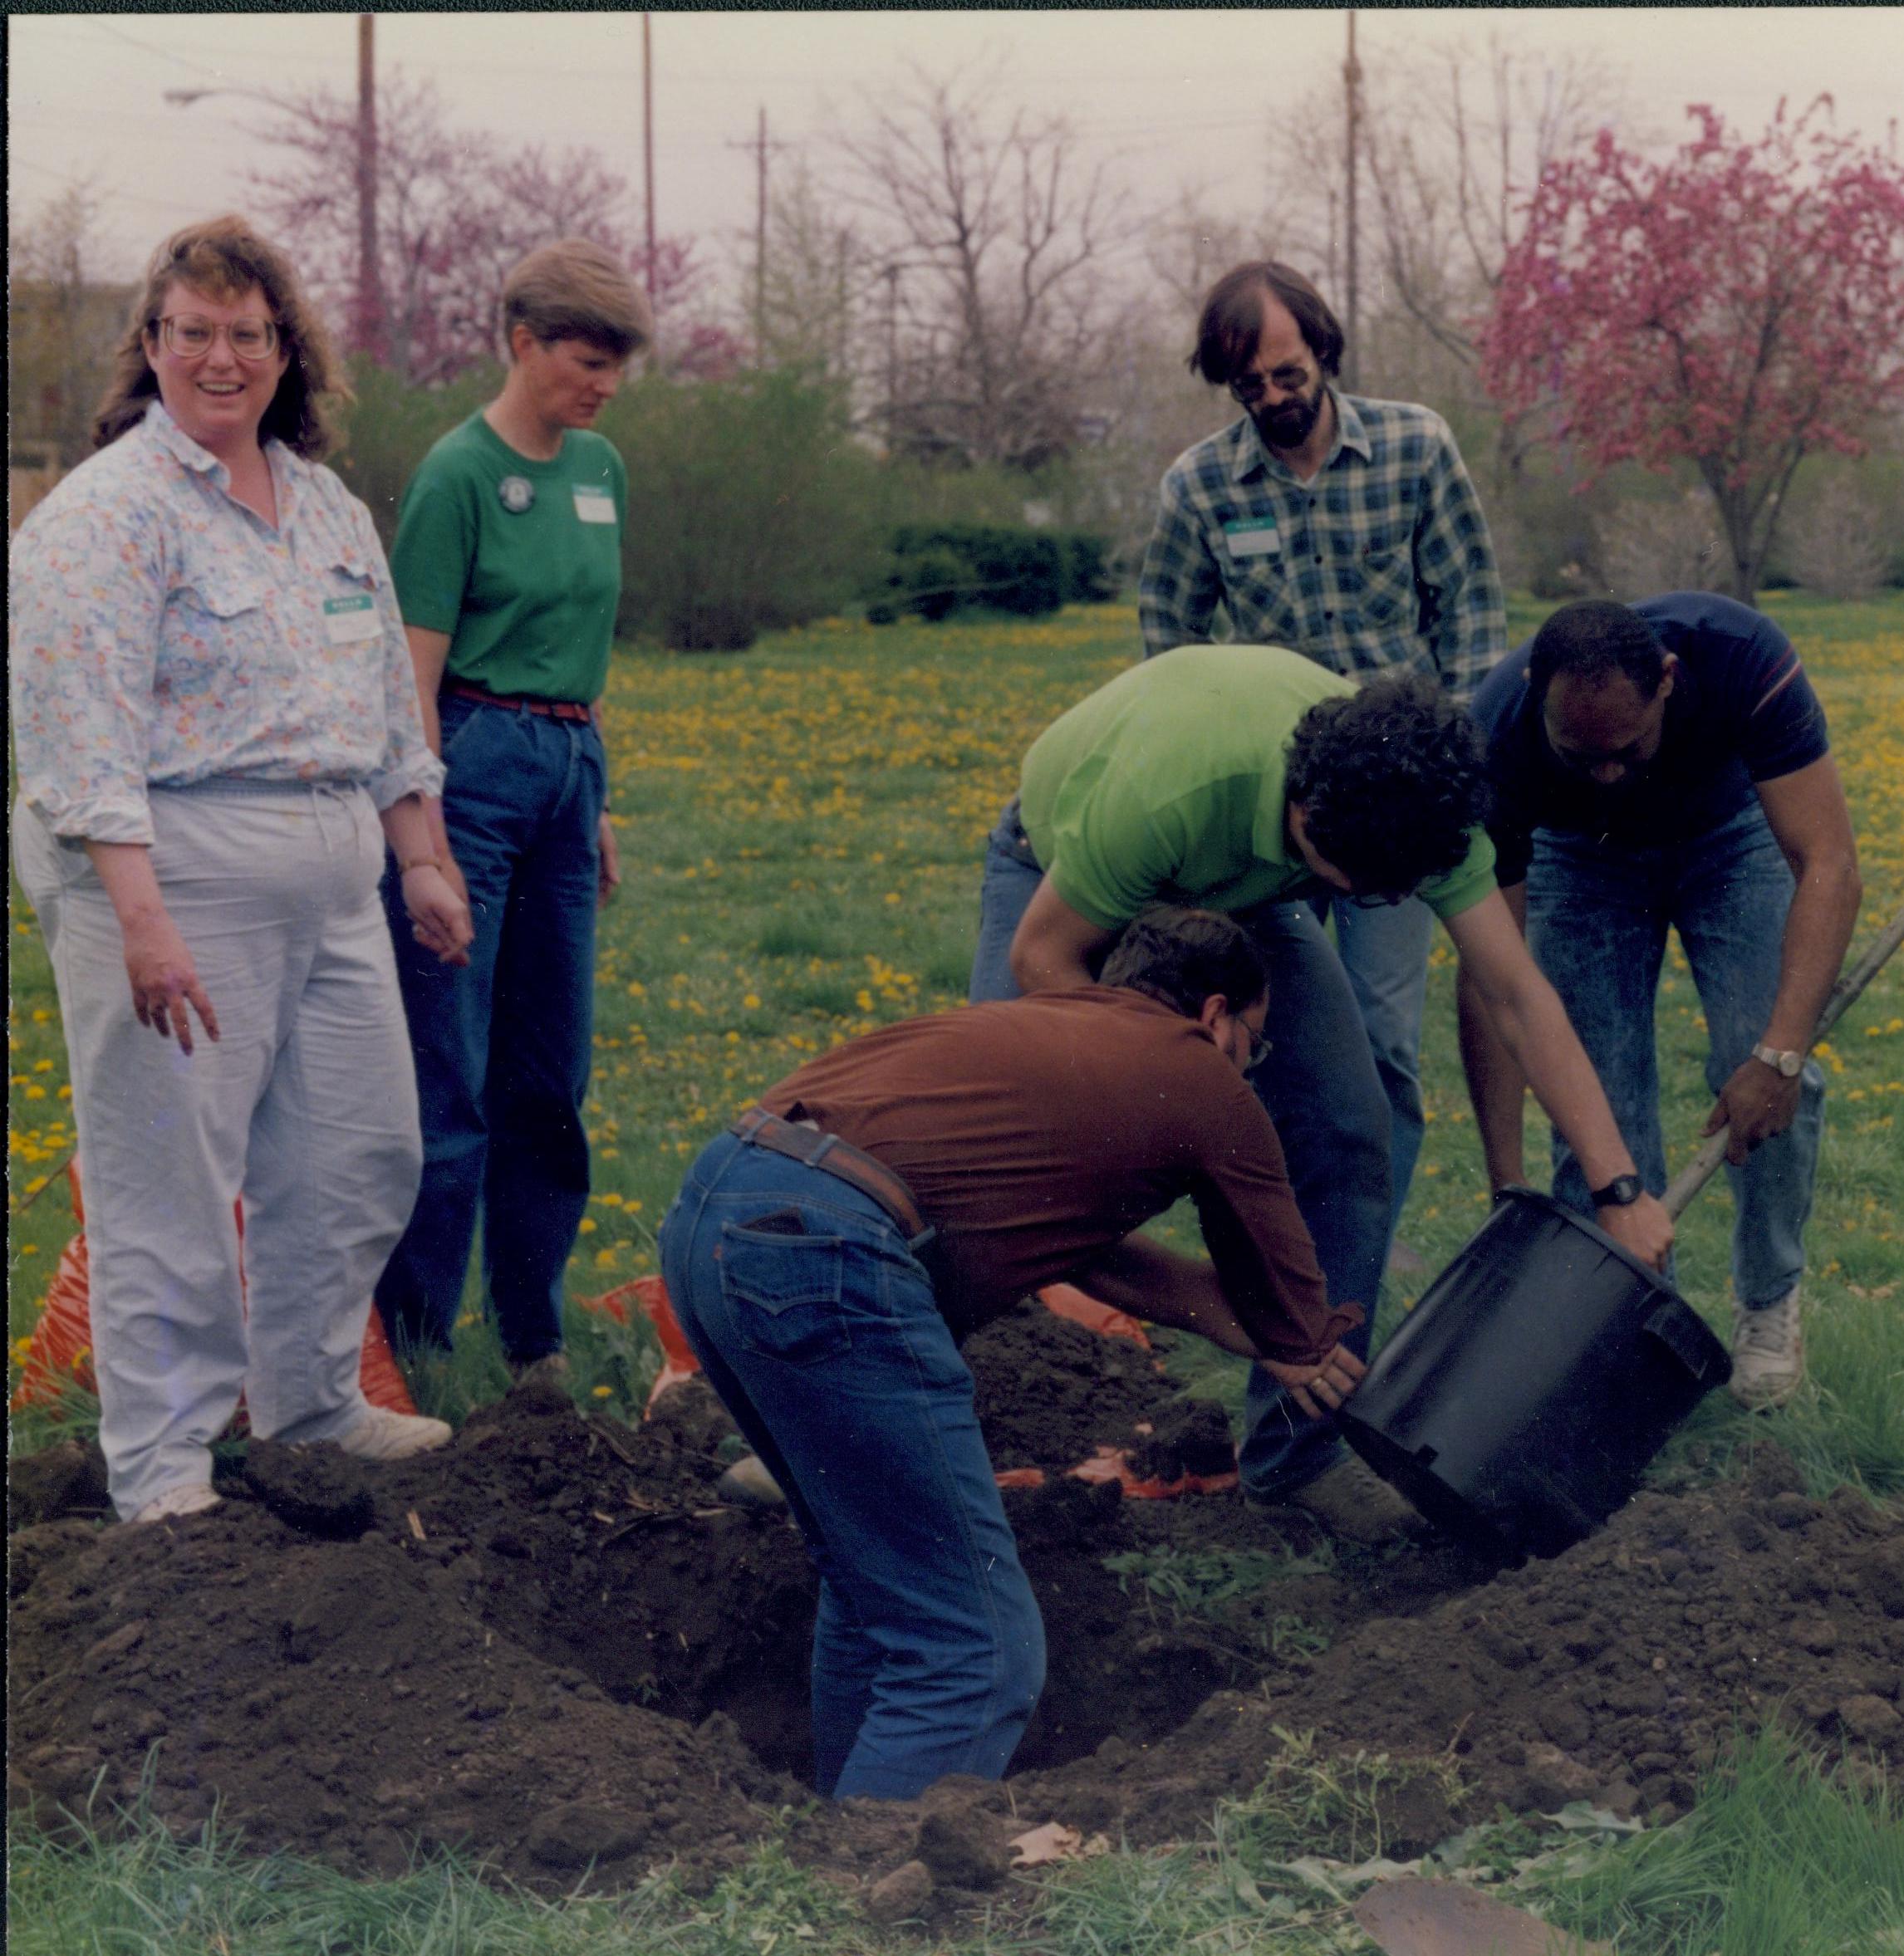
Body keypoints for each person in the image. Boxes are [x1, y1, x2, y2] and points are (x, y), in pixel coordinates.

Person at [967, 645, 1674, 1542]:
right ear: (1305, 815)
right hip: (1060, 878)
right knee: (993, 1163)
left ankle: (1296, 1457)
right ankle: (858, 1434)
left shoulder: (1424, 810)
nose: (1372, 904)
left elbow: (1516, 997)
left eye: (1393, 894)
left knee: (1347, 1128)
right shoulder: (1169, 790)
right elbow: (1044, 959)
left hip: (1252, 893)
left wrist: (1618, 1189)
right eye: (1352, 886)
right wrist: (1180, 1100)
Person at [660, 908, 1367, 1802]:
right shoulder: (1197, 1070)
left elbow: (1095, 1258)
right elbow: (1291, 1303)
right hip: (828, 1250)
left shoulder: (1043, 1031)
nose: (1244, 1070)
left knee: (878, 1589)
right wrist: (1302, 1345)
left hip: (715, 1212)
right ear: (1217, 1014)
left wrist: (1247, 1327)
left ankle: (840, 1844)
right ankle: (863, 1898)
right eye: (1251, 1047)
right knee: (977, 1648)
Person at [7, 214, 470, 1523]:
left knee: (361, 1149)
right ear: (150, 345)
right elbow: (77, 734)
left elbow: (388, 699)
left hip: (331, 869)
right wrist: (141, 923)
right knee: (171, 1174)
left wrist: (419, 857)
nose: (221, 357)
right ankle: (163, 1471)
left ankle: (311, 1401)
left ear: (285, 352)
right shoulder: (105, 516)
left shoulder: (321, 505)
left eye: (246, 334)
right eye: (192, 332)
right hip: (168, 864)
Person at [1137, 262, 1507, 1267]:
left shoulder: (1415, 448)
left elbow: (1470, 611)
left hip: (1392, 814)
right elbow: (1168, 645)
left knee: (1384, 1045)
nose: (1272, 400)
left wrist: (1456, 770)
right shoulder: (1200, 487)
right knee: (1264, 1043)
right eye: (1249, 387)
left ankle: (1359, 1261)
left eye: (1287, 375)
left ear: (1324, 351)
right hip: (1271, 814)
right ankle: (1279, 1248)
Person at [1460, 596, 1861, 1411]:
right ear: (1538, 690)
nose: (1608, 773)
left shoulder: (1742, 656)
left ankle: (1768, 1302)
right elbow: (1494, 986)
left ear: (1669, 685)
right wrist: (1507, 1190)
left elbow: (1829, 862)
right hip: (1582, 862)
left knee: (1770, 1065)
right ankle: (1630, 1333)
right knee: (1596, 1103)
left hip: (1730, 836)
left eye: (1627, 748)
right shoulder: (1495, 737)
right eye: (1581, 754)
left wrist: (1779, 1055)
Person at [372, 240, 649, 1383]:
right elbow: (410, 680)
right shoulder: (456, 476)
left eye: (617, 367)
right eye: (586, 361)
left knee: (550, 1069)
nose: (604, 386)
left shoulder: (601, 471)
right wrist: (424, 836)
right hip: (470, 767)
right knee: (452, 1068)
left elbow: (580, 640)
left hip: (566, 764)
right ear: (520, 340)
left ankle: (529, 1328)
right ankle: (418, 1341)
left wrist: (595, 795)